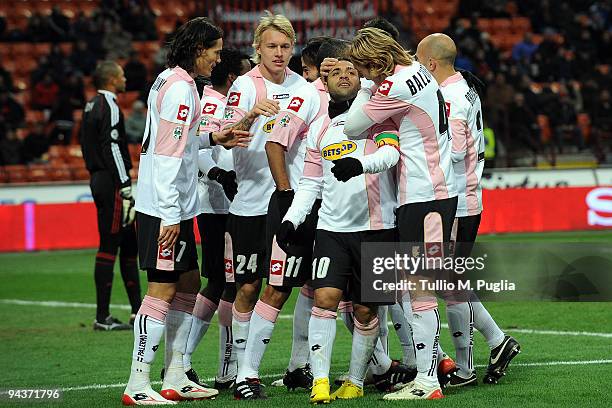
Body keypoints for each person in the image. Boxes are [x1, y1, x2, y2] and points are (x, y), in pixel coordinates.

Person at [121, 17, 248, 405]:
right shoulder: (179, 89)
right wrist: (170, 215)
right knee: (161, 289)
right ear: (198, 49)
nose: (218, 57)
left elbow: (178, 139)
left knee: (190, 283)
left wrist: (213, 136)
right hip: (164, 209)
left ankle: (176, 375)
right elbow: (165, 155)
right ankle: (137, 383)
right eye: (214, 50)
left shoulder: (173, 81)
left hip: (174, 206)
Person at [278, 58, 408, 403]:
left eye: (351, 70)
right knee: (324, 300)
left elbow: (391, 155)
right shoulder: (318, 129)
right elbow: (309, 183)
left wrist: (359, 165)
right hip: (332, 230)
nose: (345, 75)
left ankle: (354, 380)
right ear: (326, 83)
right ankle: (320, 381)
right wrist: (292, 219)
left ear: (360, 78)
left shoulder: (375, 115)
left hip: (378, 228)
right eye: (337, 72)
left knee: (366, 311)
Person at [344, 27, 458, 400]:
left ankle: (428, 381)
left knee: (421, 288)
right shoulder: (417, 72)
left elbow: (352, 125)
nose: (364, 75)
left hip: (425, 195)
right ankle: (428, 375)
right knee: (418, 287)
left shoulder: (394, 86)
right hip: (433, 192)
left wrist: (363, 89)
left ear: (376, 61)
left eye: (364, 67)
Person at [417, 33, 520, 387]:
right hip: (464, 199)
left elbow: (456, 152)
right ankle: (496, 342)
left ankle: (466, 366)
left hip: (458, 202)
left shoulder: (451, 98)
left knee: (448, 282)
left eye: (419, 61)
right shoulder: (465, 89)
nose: (416, 69)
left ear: (431, 63)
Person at [220, 11, 308, 400]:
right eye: (271, 46)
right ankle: (241, 370)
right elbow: (221, 135)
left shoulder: (301, 85)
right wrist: (253, 113)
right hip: (250, 203)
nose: (279, 53)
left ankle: (258, 370)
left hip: (285, 202)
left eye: (285, 46)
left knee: (282, 287)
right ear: (257, 48)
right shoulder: (244, 85)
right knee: (248, 286)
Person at [182, 48, 251, 390]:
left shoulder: (223, 100)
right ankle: (224, 366)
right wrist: (219, 176)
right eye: (245, 71)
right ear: (230, 78)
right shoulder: (212, 102)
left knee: (220, 283)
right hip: (219, 206)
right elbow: (199, 148)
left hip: (226, 205)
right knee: (230, 283)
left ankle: (185, 358)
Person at [80, 61, 141, 332]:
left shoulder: (91, 105)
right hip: (112, 181)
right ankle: (102, 317)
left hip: (99, 178)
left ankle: (137, 311)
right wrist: (125, 185)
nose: (125, 78)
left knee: (129, 244)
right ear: (113, 79)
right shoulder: (110, 106)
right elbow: (113, 148)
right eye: (122, 74)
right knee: (109, 245)